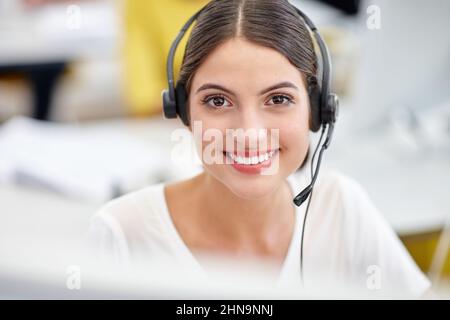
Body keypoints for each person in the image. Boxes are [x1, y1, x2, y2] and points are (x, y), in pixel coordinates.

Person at [88, 0, 430, 297]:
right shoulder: (123, 233)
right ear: (182, 110)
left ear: (317, 110)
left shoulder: (341, 210)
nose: (249, 134)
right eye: (218, 101)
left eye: (278, 99)